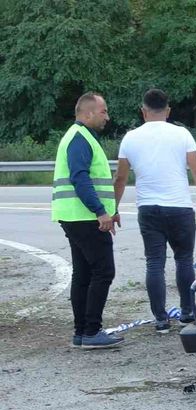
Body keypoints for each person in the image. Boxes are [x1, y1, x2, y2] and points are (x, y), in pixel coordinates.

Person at [114, 89, 196, 333]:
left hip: (148, 208)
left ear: (143, 110)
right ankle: (187, 312)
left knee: (154, 263)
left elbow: (120, 178)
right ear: (168, 110)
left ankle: (161, 319)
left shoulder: (130, 138)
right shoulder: (181, 134)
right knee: (184, 260)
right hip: (179, 206)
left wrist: (113, 208)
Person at [51, 92, 124, 349]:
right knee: (103, 271)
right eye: (103, 111)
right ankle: (92, 330)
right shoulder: (80, 138)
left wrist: (109, 209)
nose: (107, 116)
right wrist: (100, 212)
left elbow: (92, 181)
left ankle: (82, 332)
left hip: (75, 216)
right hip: (85, 217)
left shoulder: (79, 136)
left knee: (83, 273)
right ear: (89, 113)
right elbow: (80, 178)